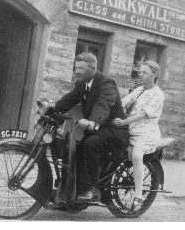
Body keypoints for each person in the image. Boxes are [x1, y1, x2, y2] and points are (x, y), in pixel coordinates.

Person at [52, 53, 129, 202]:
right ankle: (74, 189)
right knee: (74, 146)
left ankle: (91, 189)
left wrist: (92, 121)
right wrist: (52, 110)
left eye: (81, 68)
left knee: (90, 145)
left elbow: (104, 104)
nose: (77, 71)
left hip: (114, 131)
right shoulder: (82, 84)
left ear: (93, 68)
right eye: (76, 68)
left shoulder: (107, 84)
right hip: (98, 130)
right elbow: (69, 99)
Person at [113, 61, 164, 211]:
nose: (140, 75)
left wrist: (124, 121)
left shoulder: (158, 94)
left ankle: (138, 195)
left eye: (144, 72)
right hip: (132, 128)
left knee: (136, 155)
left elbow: (143, 114)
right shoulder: (139, 90)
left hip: (146, 132)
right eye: (140, 72)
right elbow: (124, 102)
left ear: (154, 75)